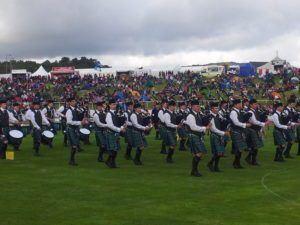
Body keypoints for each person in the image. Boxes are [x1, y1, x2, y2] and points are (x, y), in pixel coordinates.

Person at [185, 99, 210, 177]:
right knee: (199, 153)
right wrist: (205, 128)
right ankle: (194, 171)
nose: (199, 107)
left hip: (197, 135)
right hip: (193, 135)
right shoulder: (190, 115)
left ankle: (194, 171)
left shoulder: (197, 114)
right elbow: (193, 127)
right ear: (192, 107)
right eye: (197, 106)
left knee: (199, 153)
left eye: (199, 106)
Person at [245, 99, 270, 165]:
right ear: (251, 105)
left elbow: (257, 120)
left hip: (256, 130)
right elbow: (254, 122)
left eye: (256, 104)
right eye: (255, 104)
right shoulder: (250, 112)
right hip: (252, 130)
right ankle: (253, 160)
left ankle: (250, 158)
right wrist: (264, 123)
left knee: (254, 146)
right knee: (255, 146)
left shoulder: (255, 111)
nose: (256, 105)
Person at [207, 102, 230, 172]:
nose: (217, 109)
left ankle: (214, 165)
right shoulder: (210, 116)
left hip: (219, 135)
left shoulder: (218, 115)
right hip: (214, 135)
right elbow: (213, 129)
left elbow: (223, 120)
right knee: (217, 152)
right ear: (212, 109)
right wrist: (224, 133)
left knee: (219, 152)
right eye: (215, 108)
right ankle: (212, 164)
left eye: (217, 108)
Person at [66, 97, 89, 165]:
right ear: (69, 102)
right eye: (72, 101)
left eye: (75, 101)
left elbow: (77, 118)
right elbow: (69, 122)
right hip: (71, 129)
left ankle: (72, 160)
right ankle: (71, 160)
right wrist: (80, 122)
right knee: (74, 145)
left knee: (75, 144)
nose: (74, 102)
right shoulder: (69, 111)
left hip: (75, 129)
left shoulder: (75, 110)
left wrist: (83, 120)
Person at [229, 99, 251, 169]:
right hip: (235, 131)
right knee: (239, 148)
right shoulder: (233, 112)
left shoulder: (239, 111)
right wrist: (245, 125)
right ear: (235, 105)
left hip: (239, 131)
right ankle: (236, 163)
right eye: (239, 104)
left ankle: (236, 163)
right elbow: (236, 122)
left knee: (240, 148)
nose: (241, 105)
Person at [105, 99, 126, 168]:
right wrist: (120, 129)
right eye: (113, 104)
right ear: (109, 105)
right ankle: (111, 163)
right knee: (113, 149)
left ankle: (110, 162)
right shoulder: (108, 114)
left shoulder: (116, 113)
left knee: (115, 149)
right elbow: (110, 125)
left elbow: (120, 122)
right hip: (111, 133)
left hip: (116, 133)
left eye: (115, 104)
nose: (114, 105)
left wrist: (122, 126)